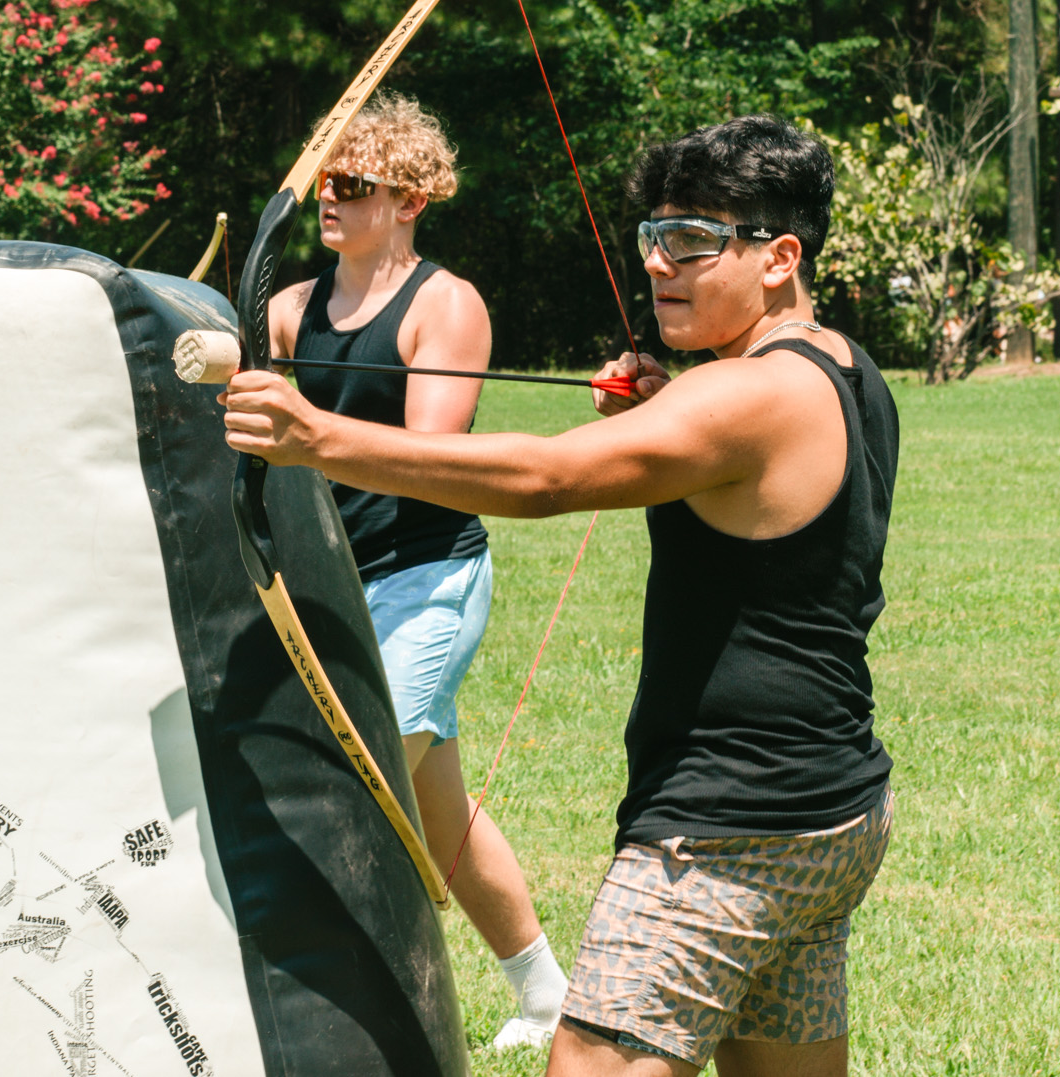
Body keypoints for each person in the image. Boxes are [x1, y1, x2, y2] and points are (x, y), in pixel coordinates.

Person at [225, 114, 897, 1077]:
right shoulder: (841, 366)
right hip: (827, 812)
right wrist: (670, 406)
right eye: (654, 238)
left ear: (778, 255)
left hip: (723, 830)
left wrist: (315, 436)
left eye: (695, 241)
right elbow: (764, 512)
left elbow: (546, 477)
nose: (662, 263)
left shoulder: (747, 396)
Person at [268, 91, 569, 1051]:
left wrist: (306, 433)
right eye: (325, 182)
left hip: (423, 574)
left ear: (411, 201)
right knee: (436, 807)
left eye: (355, 185)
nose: (332, 199)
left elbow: (430, 458)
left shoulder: (445, 305)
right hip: (322, 579)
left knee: (369, 774)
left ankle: (349, 1010)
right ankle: (547, 993)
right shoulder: (285, 310)